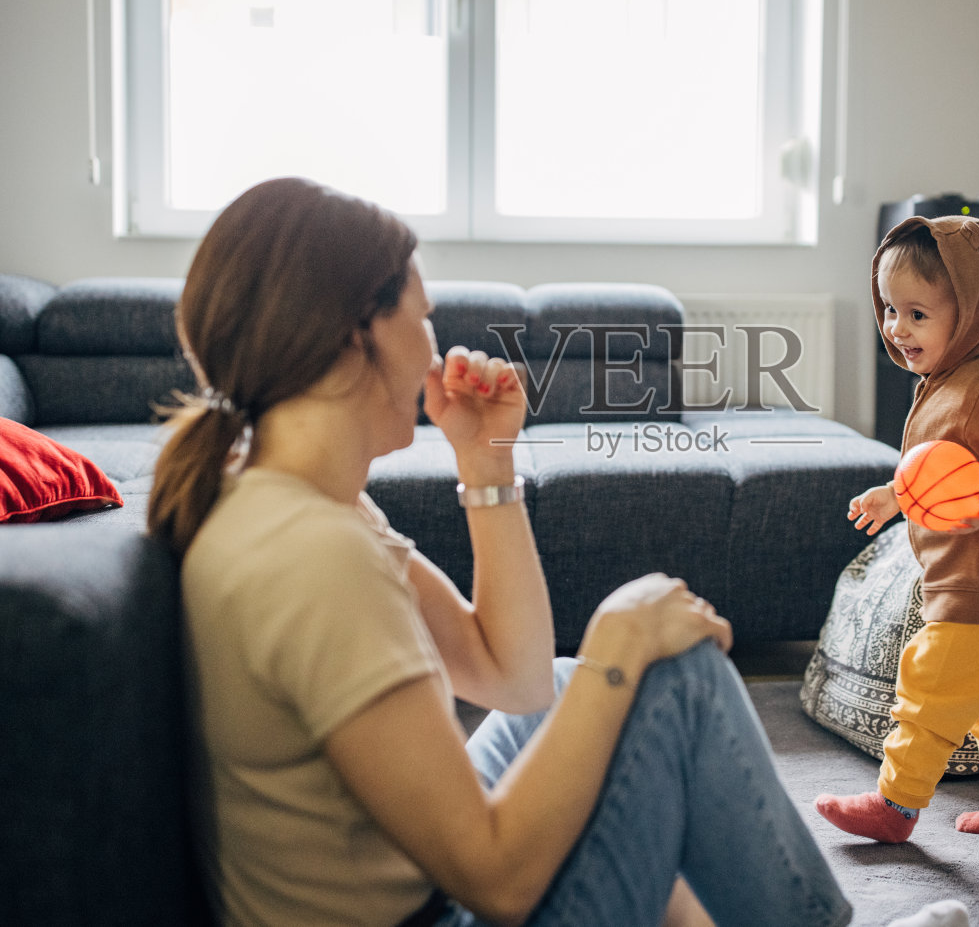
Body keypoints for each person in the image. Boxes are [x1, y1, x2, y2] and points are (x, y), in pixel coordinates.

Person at [149, 177, 873, 927]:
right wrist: (615, 649)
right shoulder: (315, 555)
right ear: (353, 333)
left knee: (564, 689)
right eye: (422, 316)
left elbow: (513, 678)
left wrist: (488, 460)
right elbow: (497, 879)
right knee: (670, 675)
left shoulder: (294, 497)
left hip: (426, 884)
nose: (432, 343)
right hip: (442, 909)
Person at [815, 215, 979, 845]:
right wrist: (894, 495)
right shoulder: (946, 384)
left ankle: (895, 806)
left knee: (926, 688)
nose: (898, 329)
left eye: (918, 315)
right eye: (891, 310)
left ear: (975, 313)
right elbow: (941, 469)